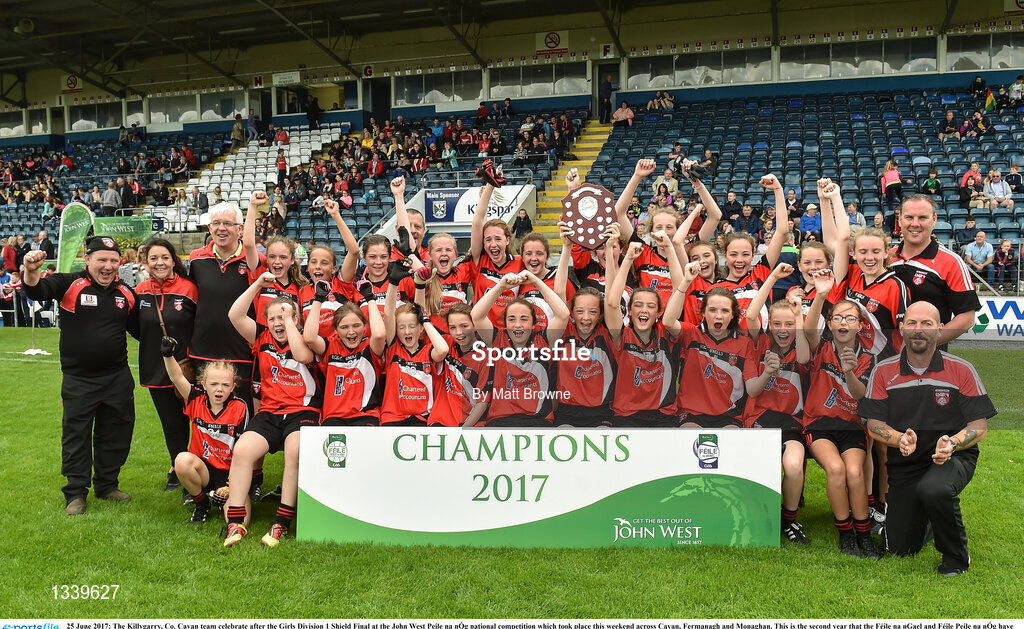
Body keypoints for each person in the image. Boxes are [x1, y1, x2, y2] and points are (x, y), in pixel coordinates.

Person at [860, 301, 995, 576]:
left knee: (934, 489)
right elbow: (874, 424)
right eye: (912, 323)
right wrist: (899, 439)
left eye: (927, 323)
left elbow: (979, 426)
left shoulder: (962, 369)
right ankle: (932, 516)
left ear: (940, 329)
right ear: (901, 328)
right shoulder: (883, 370)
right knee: (900, 549)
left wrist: (953, 443)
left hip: (952, 457)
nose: (918, 329)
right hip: (906, 463)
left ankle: (956, 558)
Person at [21, 237, 140, 515]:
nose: (108, 266)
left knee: (116, 433)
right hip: (79, 379)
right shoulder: (69, 283)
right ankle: (75, 493)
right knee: (76, 436)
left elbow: (141, 331)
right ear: (87, 260)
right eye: (102, 260)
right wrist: (31, 271)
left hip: (117, 378)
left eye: (113, 260)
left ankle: (107, 485)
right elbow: (37, 291)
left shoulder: (126, 293)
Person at [223, 274, 320, 548]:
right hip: (270, 412)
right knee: (243, 450)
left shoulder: (308, 339)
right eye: (273, 318)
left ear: (297, 319)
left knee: (294, 451)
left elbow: (302, 356)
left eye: (285, 316)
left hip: (303, 411)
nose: (278, 322)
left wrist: (290, 321)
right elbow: (234, 315)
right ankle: (236, 521)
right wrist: (257, 285)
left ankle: (282, 521)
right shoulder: (262, 336)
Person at [136, 238, 198, 494]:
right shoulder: (140, 290)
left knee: (194, 421)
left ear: (174, 260)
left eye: (164, 257)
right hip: (155, 367)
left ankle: (195, 467)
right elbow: (136, 327)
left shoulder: (190, 289)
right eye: (153, 258)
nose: (159, 262)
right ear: (146, 262)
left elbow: (199, 325)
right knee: (171, 424)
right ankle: (178, 468)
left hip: (187, 368)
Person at [162, 352, 248, 524]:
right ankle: (201, 503)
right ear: (204, 385)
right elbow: (177, 377)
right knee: (181, 460)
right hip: (203, 470)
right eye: (214, 384)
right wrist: (167, 355)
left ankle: (225, 498)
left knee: (239, 522)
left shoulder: (239, 407)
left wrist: (229, 486)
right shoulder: (196, 399)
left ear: (233, 386)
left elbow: (242, 453)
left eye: (225, 385)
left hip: (230, 473)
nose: (219, 389)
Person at [891, 195, 981, 346]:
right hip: (883, 356)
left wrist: (925, 343)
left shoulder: (951, 262)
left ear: (934, 220)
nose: (915, 224)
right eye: (909, 217)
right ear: (899, 220)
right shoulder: (885, 258)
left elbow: (967, 318)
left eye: (922, 217)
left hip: (928, 358)